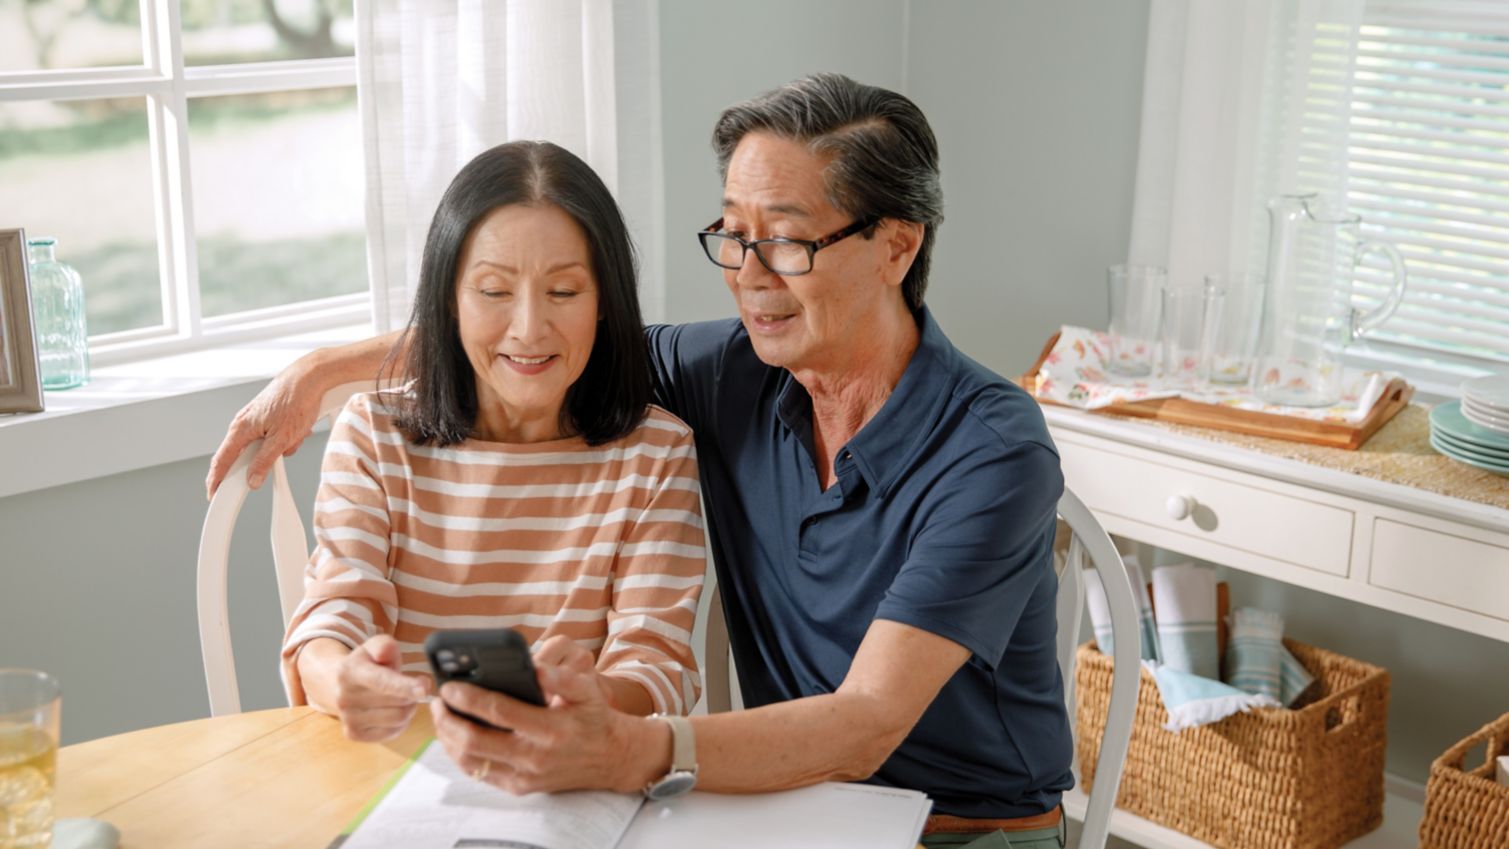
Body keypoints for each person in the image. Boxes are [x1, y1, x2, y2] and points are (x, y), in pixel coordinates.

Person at [210, 74, 1070, 849]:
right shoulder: (735, 372)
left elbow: (866, 724)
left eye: (787, 242)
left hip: (965, 828)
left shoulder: (990, 448)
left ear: (896, 247)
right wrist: (320, 370)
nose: (750, 277)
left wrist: (631, 748)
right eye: (733, 236)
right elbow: (540, 343)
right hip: (780, 808)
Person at [278, 140, 706, 745]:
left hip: (573, 777)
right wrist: (338, 675)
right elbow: (333, 617)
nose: (529, 329)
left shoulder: (655, 454)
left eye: (563, 292)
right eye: (493, 291)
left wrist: (592, 695)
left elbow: (654, 665)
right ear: (448, 299)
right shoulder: (374, 436)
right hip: (401, 775)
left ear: (606, 301)